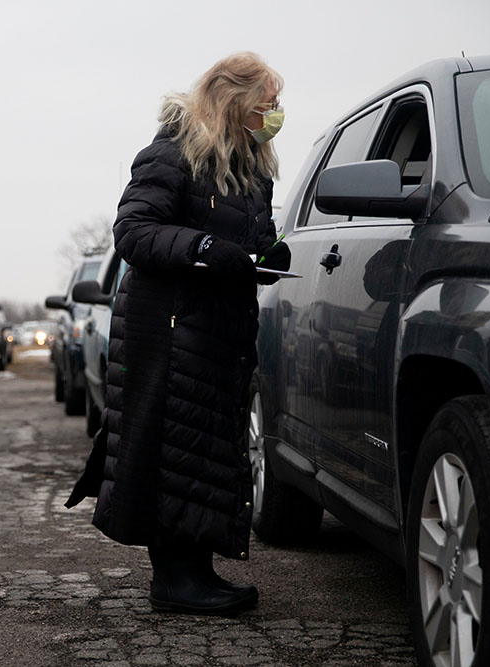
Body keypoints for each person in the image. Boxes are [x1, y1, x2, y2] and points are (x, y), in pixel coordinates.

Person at [66, 52, 292, 615]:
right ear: (231, 98)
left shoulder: (249, 166)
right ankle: (173, 578)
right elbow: (135, 232)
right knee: (171, 448)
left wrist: (264, 253)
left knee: (206, 448)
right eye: (266, 103)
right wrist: (202, 247)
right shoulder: (171, 152)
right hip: (167, 328)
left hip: (217, 328)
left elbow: (244, 237)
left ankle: (196, 569)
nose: (274, 114)